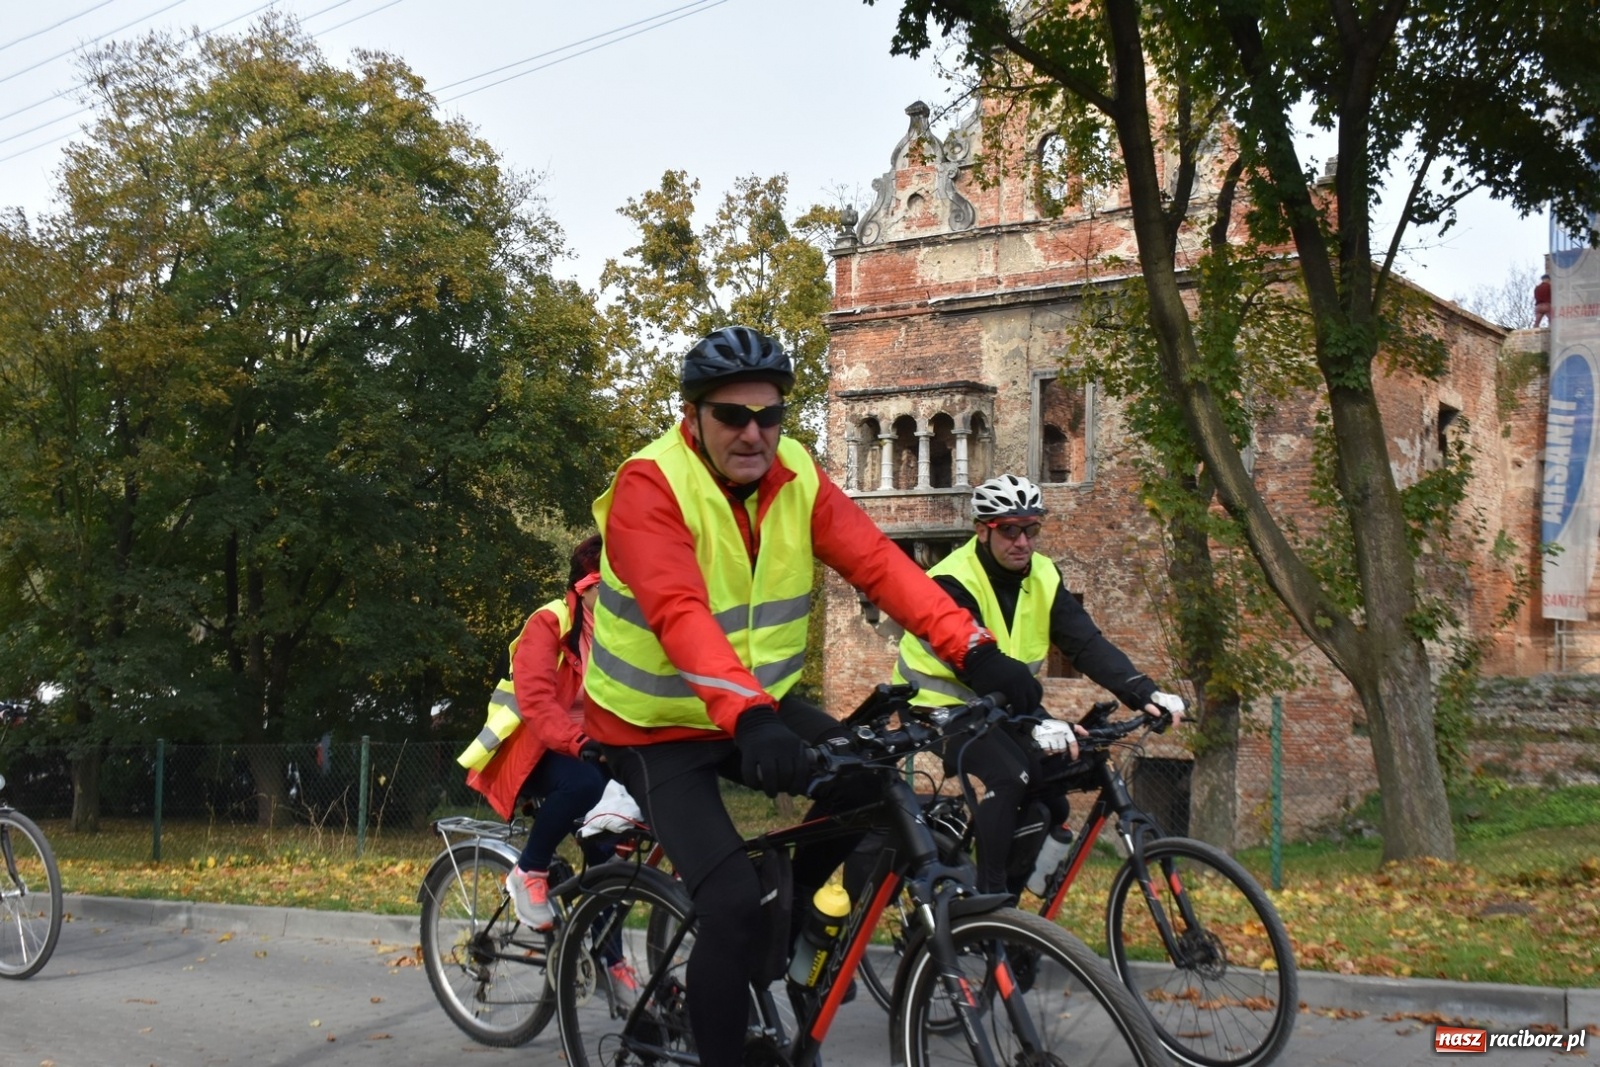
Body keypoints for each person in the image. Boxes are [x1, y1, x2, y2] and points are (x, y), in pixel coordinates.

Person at [583, 326, 1042, 1067]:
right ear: (692, 415)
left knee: (873, 785)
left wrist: (974, 648)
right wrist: (749, 715)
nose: (754, 432)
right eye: (733, 415)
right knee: (731, 904)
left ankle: (792, 920)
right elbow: (678, 611)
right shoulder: (651, 483)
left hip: (751, 704)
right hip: (654, 724)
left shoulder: (795, 472)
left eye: (770, 415)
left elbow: (880, 564)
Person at [894, 473, 1187, 895]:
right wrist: (1034, 723)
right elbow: (977, 668)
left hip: (1002, 701)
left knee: (1053, 795)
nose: (1022, 542)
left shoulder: (1044, 575)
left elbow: (1085, 643)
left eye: (1031, 530)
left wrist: (1144, 691)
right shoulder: (951, 580)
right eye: (1009, 531)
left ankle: (1018, 914)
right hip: (936, 703)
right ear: (982, 530)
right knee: (1010, 776)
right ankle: (990, 905)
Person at [457, 536, 624, 973]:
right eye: (608, 588)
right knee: (585, 785)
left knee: (613, 855)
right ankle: (528, 870)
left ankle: (612, 961)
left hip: (586, 749)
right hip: (529, 750)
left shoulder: (622, 634)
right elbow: (535, 702)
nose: (620, 599)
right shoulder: (549, 622)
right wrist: (580, 744)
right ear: (583, 587)